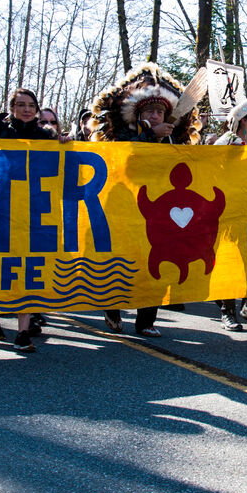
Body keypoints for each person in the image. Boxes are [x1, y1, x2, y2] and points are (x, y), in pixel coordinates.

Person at [88, 62, 203, 337]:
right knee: (121, 261)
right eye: (150, 110)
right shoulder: (124, 135)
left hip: (161, 211)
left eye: (160, 110)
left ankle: (146, 320)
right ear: (139, 112)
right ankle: (112, 308)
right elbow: (125, 160)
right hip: (125, 208)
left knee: (154, 264)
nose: (155, 114)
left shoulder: (175, 137)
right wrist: (151, 135)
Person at [0, 51, 59, 352]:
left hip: (34, 213)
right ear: (13, 109)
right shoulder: (1, 132)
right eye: (21, 105)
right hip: (2, 211)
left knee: (31, 269)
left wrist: (66, 145)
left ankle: (22, 331)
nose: (27, 110)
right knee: (0, 268)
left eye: (32, 105)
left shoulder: (46, 138)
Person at [213, 98, 247, 331]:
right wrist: (225, 154)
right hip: (230, 213)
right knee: (230, 262)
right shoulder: (226, 141)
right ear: (244, 120)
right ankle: (227, 311)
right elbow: (207, 166)